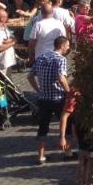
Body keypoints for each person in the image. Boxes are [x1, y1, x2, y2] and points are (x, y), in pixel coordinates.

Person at [32, 35, 71, 164]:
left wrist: (38, 89)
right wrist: (68, 91)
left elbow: (30, 76)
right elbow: (61, 78)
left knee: (43, 127)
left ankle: (41, 156)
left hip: (43, 98)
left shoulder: (42, 57)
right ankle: (67, 151)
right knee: (65, 124)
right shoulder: (61, 59)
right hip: (58, 98)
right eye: (67, 45)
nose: (68, 48)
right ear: (62, 46)